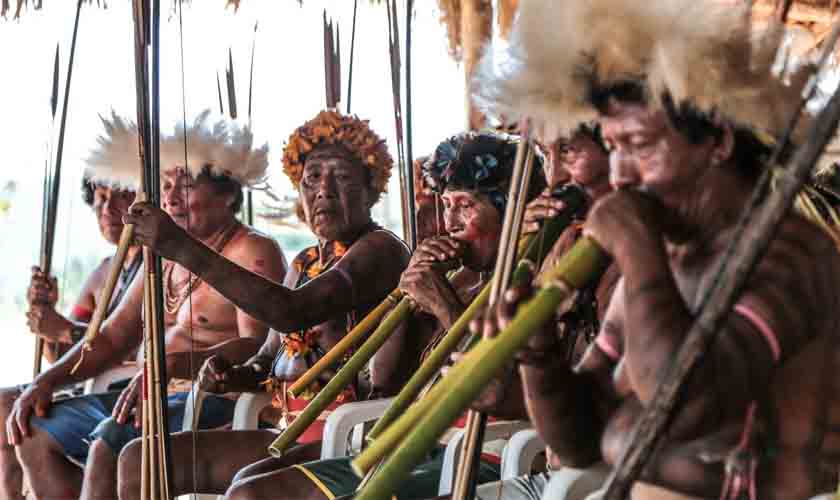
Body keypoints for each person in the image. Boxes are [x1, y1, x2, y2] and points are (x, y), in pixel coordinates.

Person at [477, 1, 840, 498]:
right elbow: (583, 441)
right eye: (614, 146)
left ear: (718, 141)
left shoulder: (792, 255)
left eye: (640, 145)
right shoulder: (667, 261)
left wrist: (637, 249)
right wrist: (539, 362)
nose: (621, 173)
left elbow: (687, 406)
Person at [223, 131, 544, 500]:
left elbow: (497, 384)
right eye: (447, 204)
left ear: (509, 213)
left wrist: (443, 305)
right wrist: (409, 304)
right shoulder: (458, 279)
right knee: (247, 486)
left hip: (484, 453)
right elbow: (389, 378)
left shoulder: (530, 280)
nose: (450, 222)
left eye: (466, 206)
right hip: (418, 445)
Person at [116, 109, 411, 498]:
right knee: (139, 459)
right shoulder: (305, 262)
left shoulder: (380, 250)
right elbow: (268, 358)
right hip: (288, 429)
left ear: (372, 190)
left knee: (248, 491)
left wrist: (179, 247)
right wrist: (235, 375)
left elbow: (291, 312)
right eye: (311, 180)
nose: (323, 190)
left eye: (341, 178)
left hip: (348, 438)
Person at [6, 110, 287, 500]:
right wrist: (46, 381)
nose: (170, 197)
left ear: (226, 194)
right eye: (166, 184)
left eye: (185, 185)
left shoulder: (252, 251)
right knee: (31, 430)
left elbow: (257, 347)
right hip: (143, 392)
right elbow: (113, 336)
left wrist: (170, 366)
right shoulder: (166, 252)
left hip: (209, 402)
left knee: (110, 439)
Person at [0, 112, 143, 500]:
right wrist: (47, 322)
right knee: (5, 408)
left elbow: (130, 346)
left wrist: (63, 328)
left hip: (127, 391)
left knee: (22, 414)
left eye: (119, 195)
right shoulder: (103, 273)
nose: (108, 209)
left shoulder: (157, 264)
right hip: (93, 384)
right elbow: (61, 355)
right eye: (99, 200)